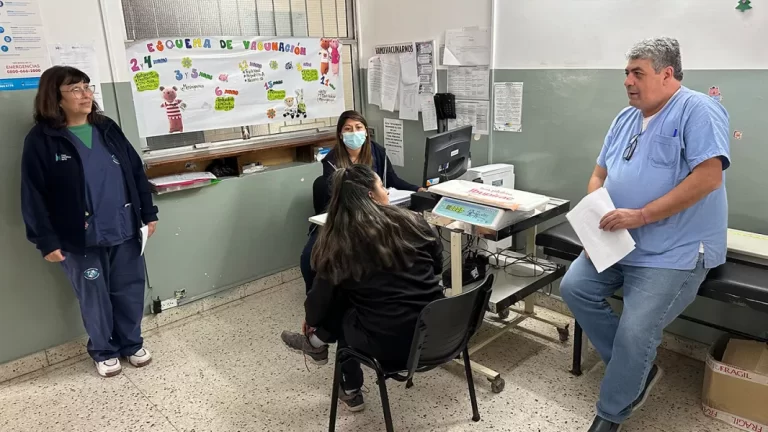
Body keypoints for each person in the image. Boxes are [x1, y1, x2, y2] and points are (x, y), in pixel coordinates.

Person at [559, 37, 730, 432]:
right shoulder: (625, 118)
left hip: (676, 249)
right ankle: (638, 369)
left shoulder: (697, 110)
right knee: (574, 287)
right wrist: (593, 216)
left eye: (638, 72)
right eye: (626, 72)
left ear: (667, 74)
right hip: (620, 241)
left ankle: (611, 413)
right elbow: (599, 173)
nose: (628, 81)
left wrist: (641, 215)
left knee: (637, 330)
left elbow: (708, 178)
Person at [21, 66, 159, 378]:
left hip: (123, 226)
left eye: (87, 86)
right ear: (55, 98)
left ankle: (131, 343)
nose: (86, 94)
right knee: (94, 296)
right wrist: (45, 239)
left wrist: (148, 213)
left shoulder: (107, 128)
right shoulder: (42, 140)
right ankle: (104, 350)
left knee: (129, 288)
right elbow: (33, 195)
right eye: (76, 89)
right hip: (77, 236)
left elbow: (135, 172)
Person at [281, 164, 444, 411]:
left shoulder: (340, 243)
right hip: (440, 333)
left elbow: (317, 308)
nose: (387, 192)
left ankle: (342, 377)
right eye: (382, 186)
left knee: (346, 303)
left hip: (393, 348)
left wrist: (312, 319)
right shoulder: (414, 222)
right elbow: (437, 266)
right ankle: (317, 345)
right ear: (371, 195)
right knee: (355, 294)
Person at [299, 110, 426, 293]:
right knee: (308, 256)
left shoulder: (377, 152)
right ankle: (314, 297)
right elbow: (336, 197)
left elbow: (393, 180)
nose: (354, 133)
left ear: (366, 131)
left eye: (358, 128)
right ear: (340, 134)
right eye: (348, 129)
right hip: (345, 215)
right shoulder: (332, 161)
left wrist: (417, 189)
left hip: (376, 213)